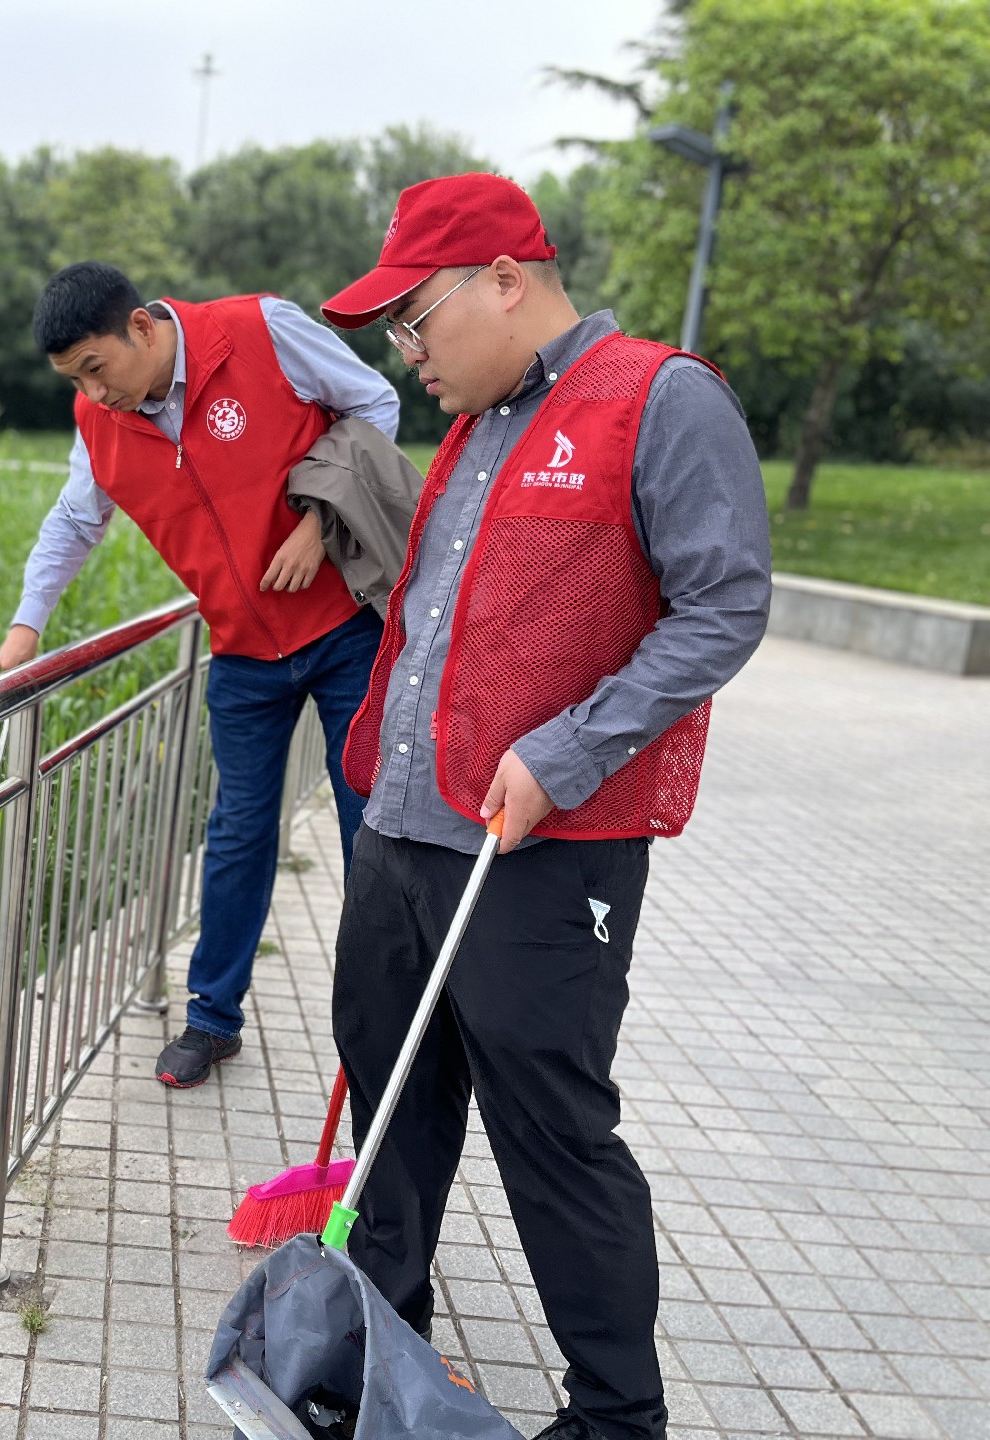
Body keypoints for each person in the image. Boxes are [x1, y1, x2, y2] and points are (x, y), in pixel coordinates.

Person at [318, 173, 772, 1440]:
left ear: (505, 280)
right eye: (394, 336)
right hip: (404, 832)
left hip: (541, 849)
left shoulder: (660, 398)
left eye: (416, 322)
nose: (408, 359)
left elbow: (724, 605)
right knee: (391, 1103)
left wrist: (568, 753)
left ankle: (617, 1415)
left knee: (553, 1132)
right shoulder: (473, 424)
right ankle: (374, 1345)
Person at [0, 261, 401, 1089]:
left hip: (342, 634)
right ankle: (212, 1019)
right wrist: (25, 627)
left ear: (141, 327)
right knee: (237, 836)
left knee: (372, 825)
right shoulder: (100, 419)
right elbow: (76, 521)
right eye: (74, 380)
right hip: (244, 655)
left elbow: (376, 402)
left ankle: (393, 1025)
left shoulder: (260, 331)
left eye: (96, 369)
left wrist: (320, 522)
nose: (93, 394)